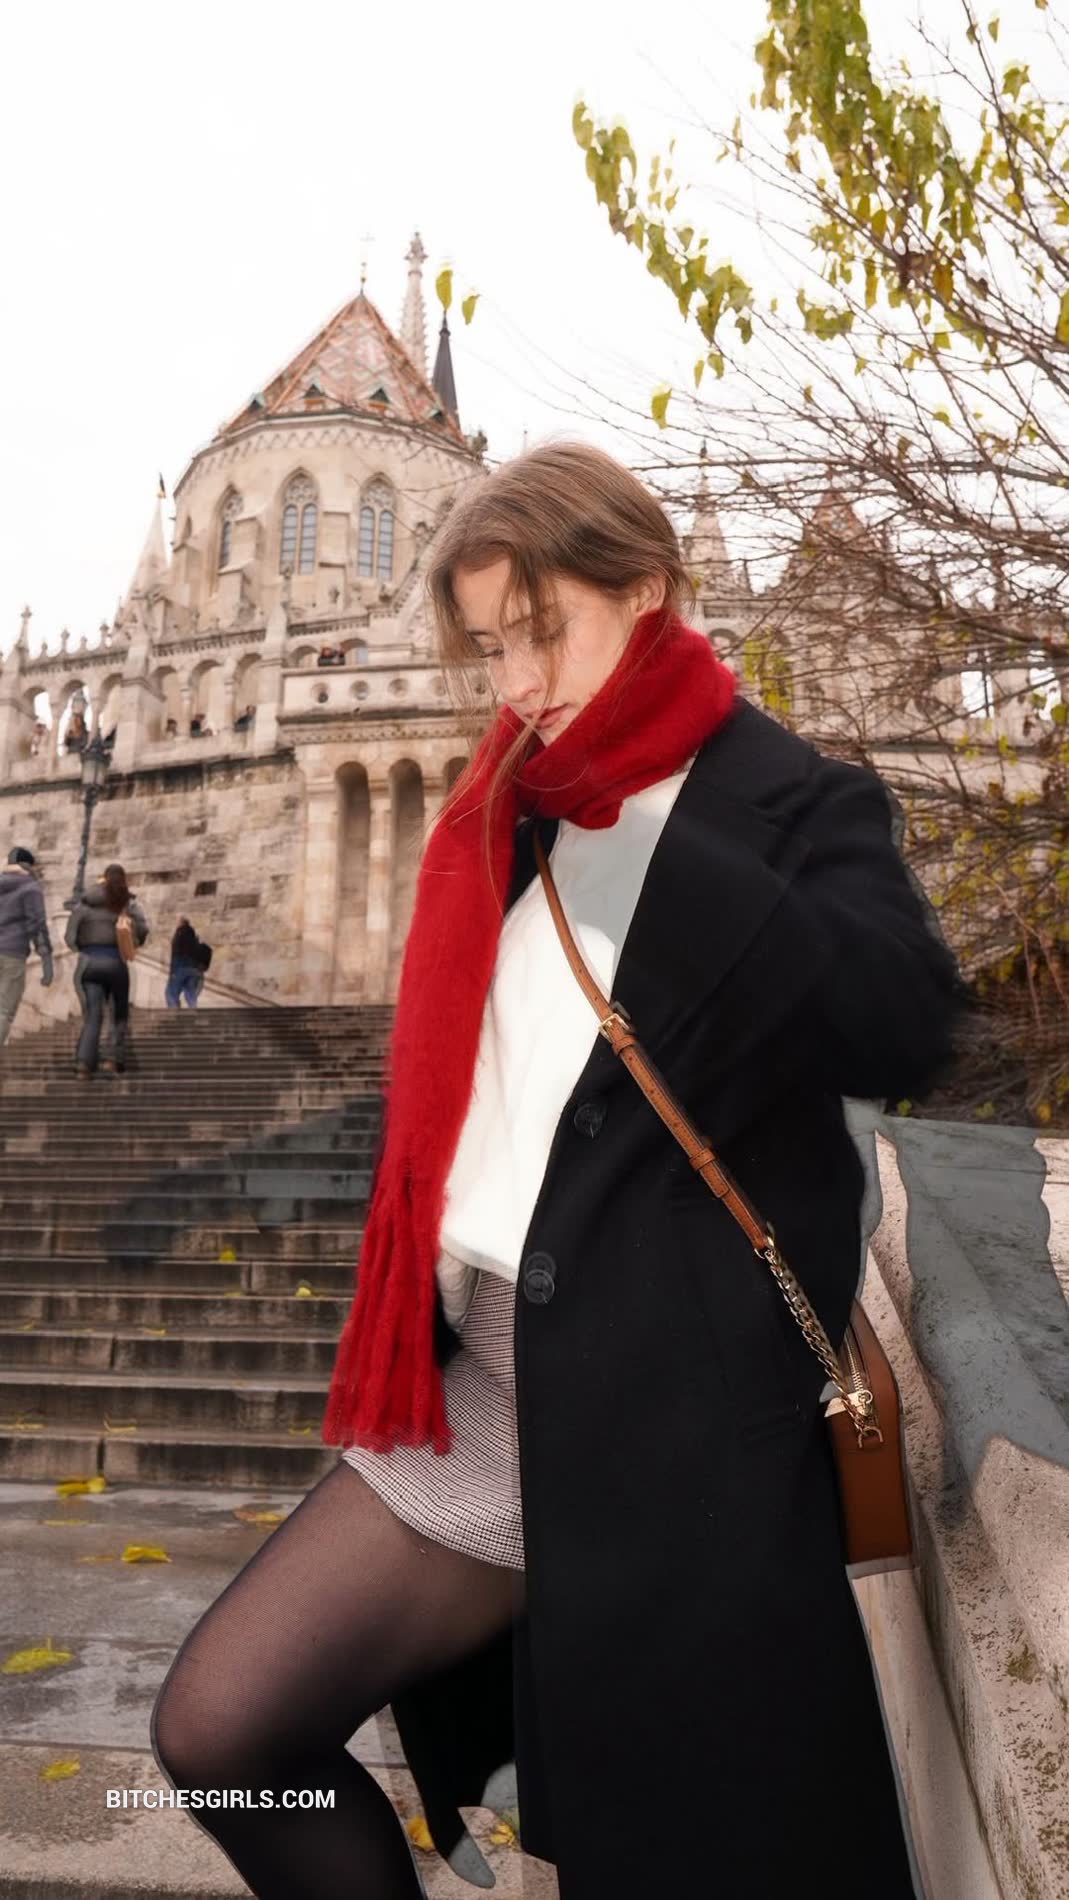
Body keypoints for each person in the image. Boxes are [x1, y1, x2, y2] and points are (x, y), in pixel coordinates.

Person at [150, 440, 965, 1899]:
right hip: (486, 1386)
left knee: (657, 1848)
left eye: (542, 631)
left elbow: (904, 1023)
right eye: (488, 646)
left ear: (645, 590)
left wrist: (653, 825)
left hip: (674, 1420)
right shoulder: (504, 810)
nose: (517, 682)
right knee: (223, 1728)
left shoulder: (795, 801)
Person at [65, 864, 149, 1078]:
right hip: (116, 962)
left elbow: (69, 937)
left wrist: (83, 948)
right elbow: (142, 929)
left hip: (89, 964)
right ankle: (112, 1060)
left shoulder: (84, 903)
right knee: (118, 1015)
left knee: (93, 1016)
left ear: (103, 878)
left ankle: (84, 1064)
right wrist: (133, 941)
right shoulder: (127, 902)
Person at [0, 847, 53, 1045]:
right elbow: (36, 925)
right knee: (4, 1010)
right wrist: (46, 959)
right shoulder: (30, 888)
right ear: (29, 865)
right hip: (12, 954)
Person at [166, 918, 208, 1008]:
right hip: (193, 969)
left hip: (180, 968)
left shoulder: (179, 934)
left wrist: (172, 972)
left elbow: (176, 955)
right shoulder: (193, 937)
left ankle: (173, 1012)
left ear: (181, 923)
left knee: (171, 993)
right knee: (190, 993)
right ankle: (192, 1011)